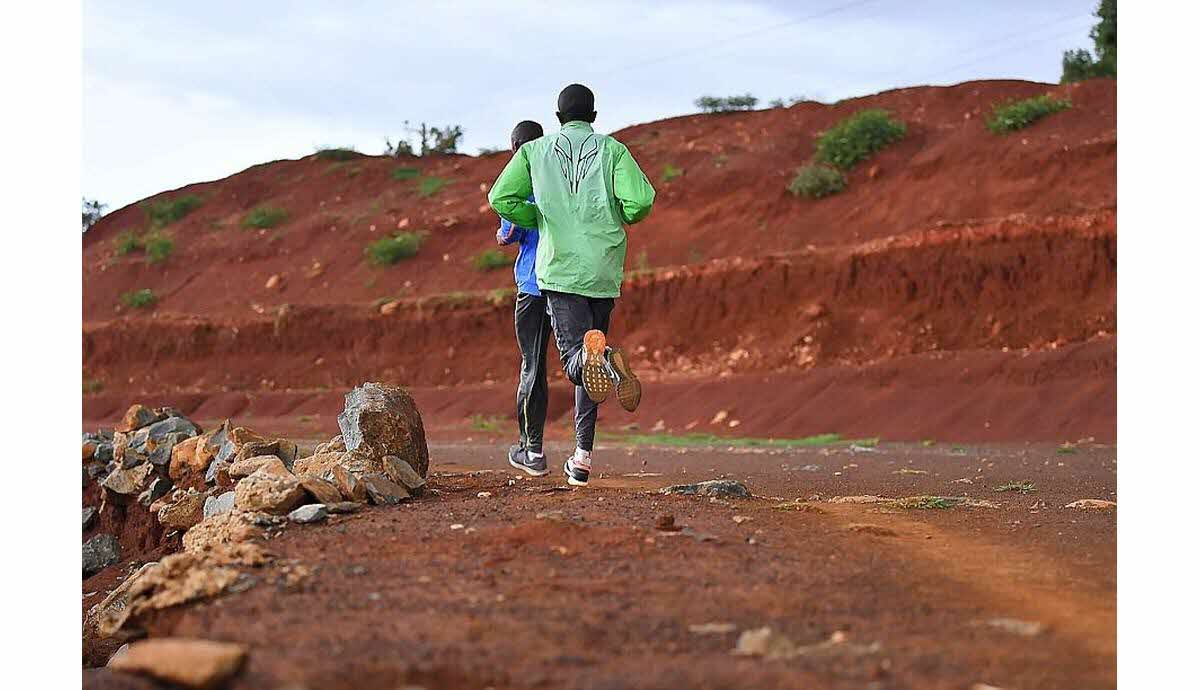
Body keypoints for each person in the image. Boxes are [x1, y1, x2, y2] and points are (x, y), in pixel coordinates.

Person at [488, 83, 656, 486]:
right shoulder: (614, 150)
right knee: (589, 363)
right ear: (594, 116)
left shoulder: (534, 151)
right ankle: (581, 460)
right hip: (603, 270)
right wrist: (619, 215)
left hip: (560, 271)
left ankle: (602, 359)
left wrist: (539, 219)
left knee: (578, 361)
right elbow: (640, 202)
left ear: (558, 117)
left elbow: (501, 198)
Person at [496, 120, 552, 477]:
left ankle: (532, 451)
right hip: (566, 282)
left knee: (533, 365)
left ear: (515, 148)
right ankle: (583, 453)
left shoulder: (518, 182)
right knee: (577, 361)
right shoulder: (557, 179)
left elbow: (510, 231)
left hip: (533, 287)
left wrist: (502, 235)